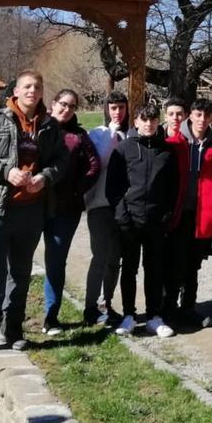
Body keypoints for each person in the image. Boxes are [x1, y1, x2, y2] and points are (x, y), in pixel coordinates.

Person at [0, 69, 68, 360]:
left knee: (20, 274)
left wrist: (45, 178)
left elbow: (62, 160)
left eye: (37, 86)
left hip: (31, 210)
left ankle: (13, 328)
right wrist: (4, 172)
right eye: (27, 86)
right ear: (16, 91)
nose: (32, 91)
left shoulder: (48, 126)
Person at [106, 104, 178, 338]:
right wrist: (122, 216)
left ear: (158, 122)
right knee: (129, 268)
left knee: (155, 269)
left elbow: (172, 189)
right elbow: (114, 187)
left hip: (156, 222)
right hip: (129, 221)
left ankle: (154, 316)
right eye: (144, 120)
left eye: (153, 120)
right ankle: (128, 315)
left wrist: (166, 216)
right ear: (136, 122)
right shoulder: (124, 149)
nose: (149, 124)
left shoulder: (167, 151)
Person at [164, 98, 212, 328]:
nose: (202, 120)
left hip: (202, 217)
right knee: (175, 262)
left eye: (207, 116)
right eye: (198, 114)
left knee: (193, 265)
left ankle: (189, 307)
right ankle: (169, 309)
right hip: (178, 215)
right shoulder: (174, 142)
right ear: (190, 115)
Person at [41, 89, 100, 335]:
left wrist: (77, 190)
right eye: (63, 104)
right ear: (53, 104)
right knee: (18, 259)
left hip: (66, 208)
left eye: (72, 106)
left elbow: (94, 165)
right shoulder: (39, 128)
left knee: (55, 260)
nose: (66, 109)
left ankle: (50, 316)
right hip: (34, 203)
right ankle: (7, 315)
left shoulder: (79, 136)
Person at [83, 91, 129, 325]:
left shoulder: (132, 134)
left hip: (123, 207)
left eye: (121, 107)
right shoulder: (98, 134)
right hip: (99, 204)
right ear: (106, 110)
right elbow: (98, 163)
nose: (117, 112)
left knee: (115, 259)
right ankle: (90, 307)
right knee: (99, 256)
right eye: (113, 108)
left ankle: (106, 303)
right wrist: (112, 134)